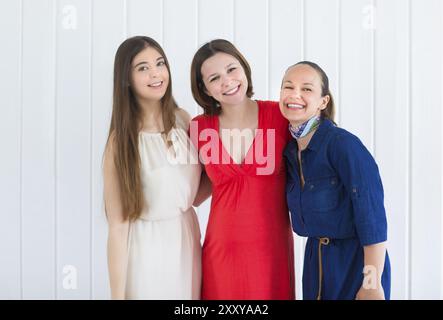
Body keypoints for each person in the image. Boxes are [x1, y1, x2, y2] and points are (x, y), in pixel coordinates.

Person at [189, 39, 295, 299]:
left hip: (272, 254)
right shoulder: (198, 127)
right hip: (221, 255)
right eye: (214, 78)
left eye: (231, 69)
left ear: (244, 69)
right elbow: (193, 195)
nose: (227, 81)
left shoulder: (281, 116)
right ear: (205, 89)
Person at [280, 61, 391, 300]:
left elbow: (372, 218)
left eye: (307, 89)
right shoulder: (289, 152)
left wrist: (372, 283)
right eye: (288, 87)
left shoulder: (343, 145)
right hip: (315, 264)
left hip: (355, 263)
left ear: (323, 101)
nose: (294, 94)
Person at [103, 36, 202, 299]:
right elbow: (118, 225)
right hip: (146, 249)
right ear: (126, 79)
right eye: (142, 68)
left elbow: (198, 191)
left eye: (159, 63)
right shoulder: (121, 142)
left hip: (186, 239)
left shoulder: (183, 120)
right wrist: (117, 295)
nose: (156, 73)